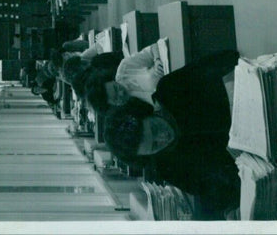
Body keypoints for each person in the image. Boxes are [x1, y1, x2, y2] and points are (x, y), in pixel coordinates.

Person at [103, 51, 240, 212]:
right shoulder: (169, 168)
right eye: (155, 146)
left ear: (146, 112)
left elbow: (227, 59)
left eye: (155, 128)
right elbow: (222, 192)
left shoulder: (171, 88)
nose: (164, 137)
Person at [86, 40, 167, 111]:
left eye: (116, 88)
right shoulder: (130, 111)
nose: (121, 93)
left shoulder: (125, 68)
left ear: (111, 80)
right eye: (116, 99)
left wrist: (157, 60)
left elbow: (153, 48)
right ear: (112, 105)